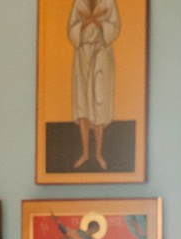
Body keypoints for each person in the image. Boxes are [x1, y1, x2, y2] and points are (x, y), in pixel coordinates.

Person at [68, 0, 120, 170]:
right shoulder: (79, 3)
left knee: (100, 101)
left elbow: (114, 28)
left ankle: (98, 153)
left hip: (101, 52)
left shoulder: (108, 2)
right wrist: (86, 22)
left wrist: (96, 21)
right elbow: (71, 30)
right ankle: (85, 153)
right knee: (82, 101)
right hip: (82, 53)